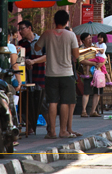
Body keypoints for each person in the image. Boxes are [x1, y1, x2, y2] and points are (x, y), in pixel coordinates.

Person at [35, 10, 80, 139]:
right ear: (66, 22)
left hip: (50, 73)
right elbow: (76, 55)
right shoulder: (71, 35)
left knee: (52, 102)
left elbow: (37, 48)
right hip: (67, 73)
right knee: (65, 102)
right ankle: (63, 131)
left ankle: (52, 132)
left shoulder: (47, 34)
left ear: (54, 21)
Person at [17, 20, 48, 136]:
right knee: (26, 102)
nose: (20, 32)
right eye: (19, 29)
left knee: (43, 103)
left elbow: (47, 56)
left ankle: (50, 126)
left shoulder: (41, 41)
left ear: (29, 28)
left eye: (22, 29)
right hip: (26, 78)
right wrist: (25, 62)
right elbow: (18, 60)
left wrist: (34, 61)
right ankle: (29, 126)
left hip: (40, 75)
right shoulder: (21, 44)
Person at [78, 32, 103, 117]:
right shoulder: (81, 49)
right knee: (86, 92)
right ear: (83, 41)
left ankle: (93, 111)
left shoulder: (95, 47)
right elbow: (81, 60)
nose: (90, 40)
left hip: (97, 73)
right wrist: (93, 63)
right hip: (88, 74)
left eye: (90, 38)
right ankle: (84, 111)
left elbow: (102, 55)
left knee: (97, 92)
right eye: (88, 39)